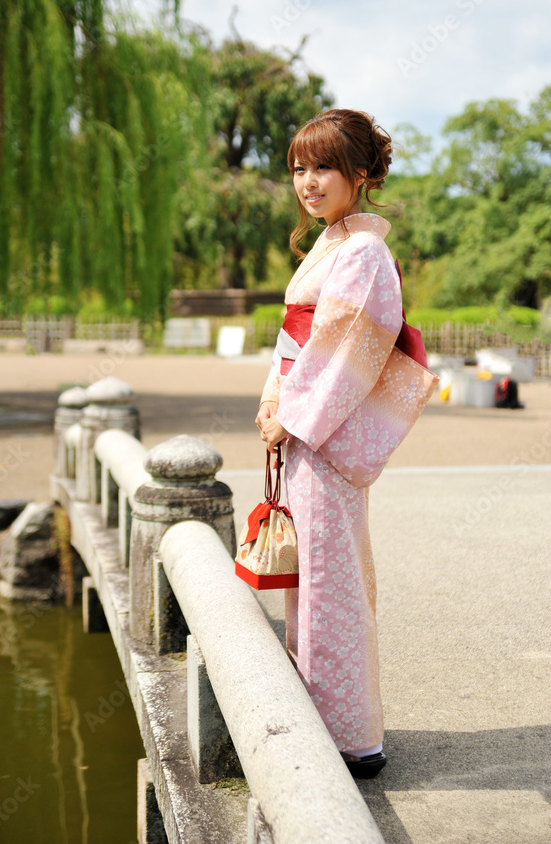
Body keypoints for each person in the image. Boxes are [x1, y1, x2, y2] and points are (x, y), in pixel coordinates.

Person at [255, 108, 404, 779]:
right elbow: (296, 345)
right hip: (303, 433)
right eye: (297, 168)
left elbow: (348, 348)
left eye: (322, 167)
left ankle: (351, 740)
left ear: (362, 174)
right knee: (309, 581)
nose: (306, 182)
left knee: (328, 584)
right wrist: (269, 404)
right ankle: (326, 724)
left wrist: (292, 415)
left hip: (324, 437)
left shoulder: (364, 253)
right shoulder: (330, 246)